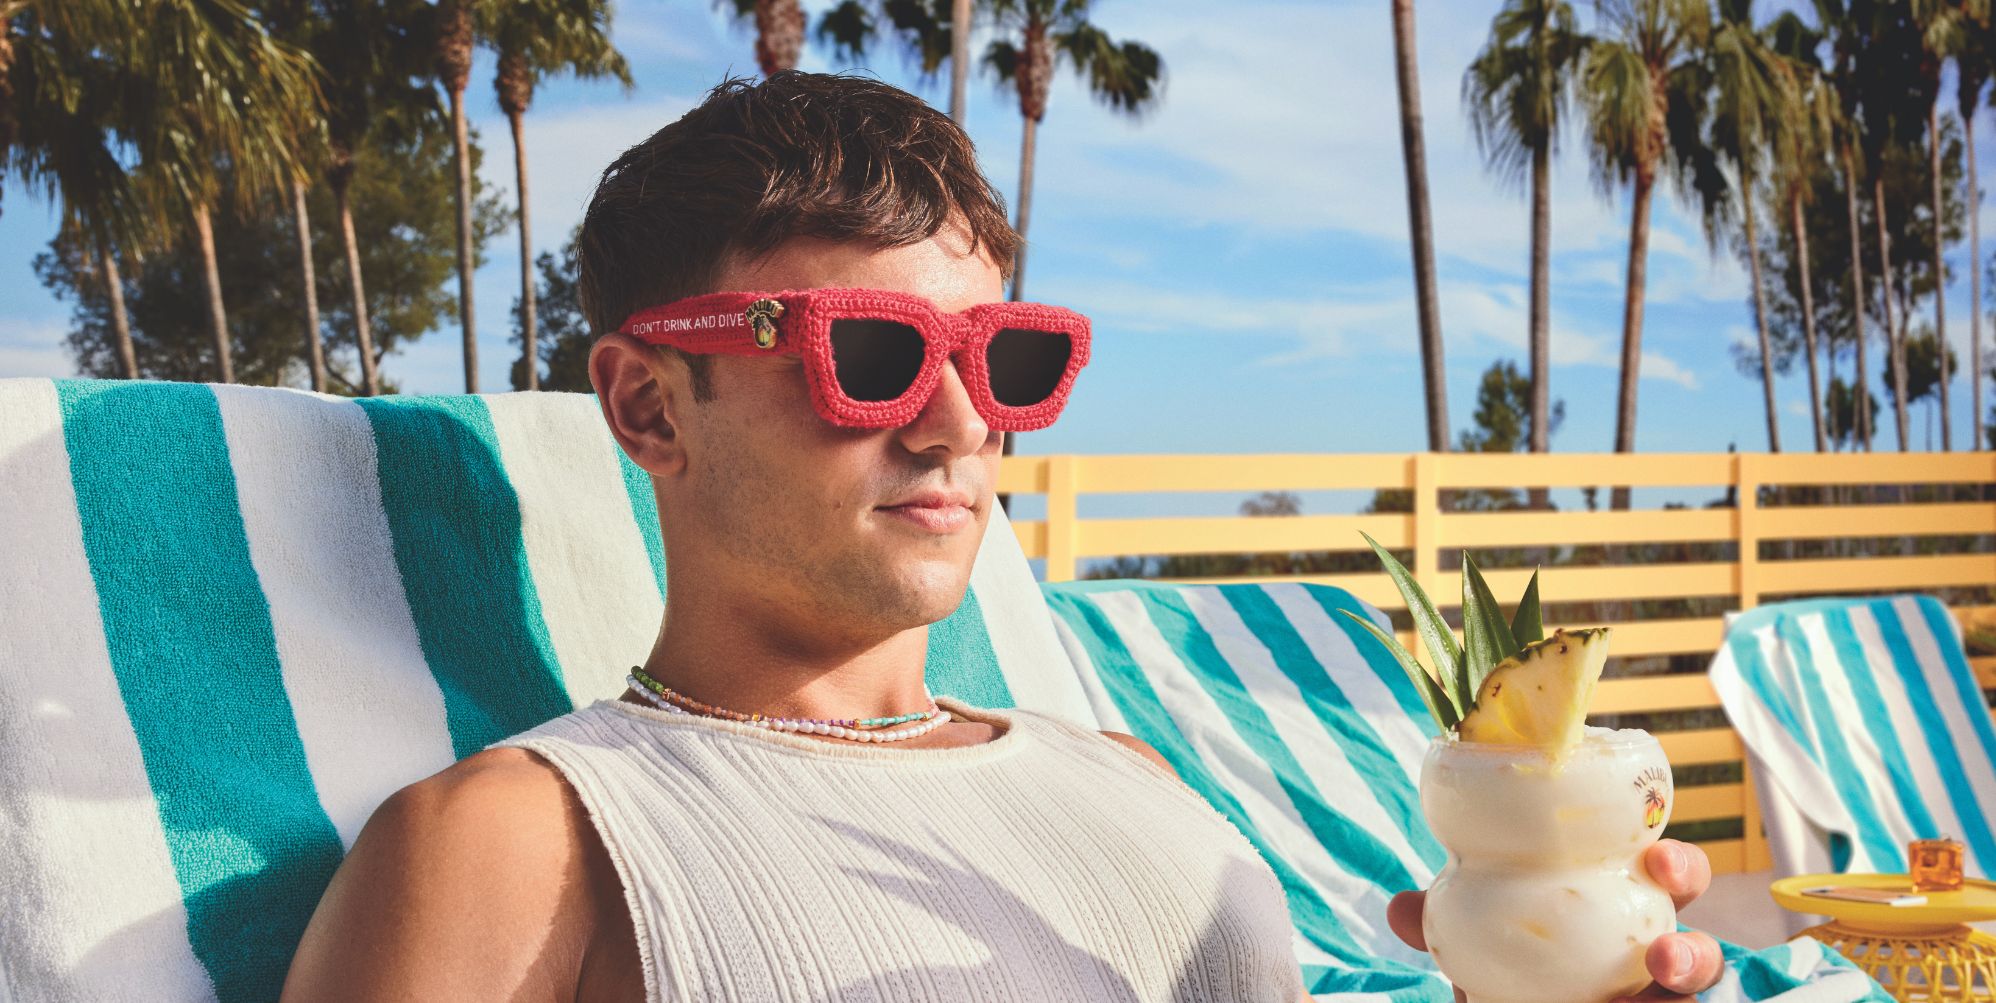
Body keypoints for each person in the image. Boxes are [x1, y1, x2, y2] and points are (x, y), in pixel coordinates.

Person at [280, 72, 1724, 1003]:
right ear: (648, 404)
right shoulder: (518, 849)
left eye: (1005, 359)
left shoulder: (1133, 780)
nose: (961, 421)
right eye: (871, 353)